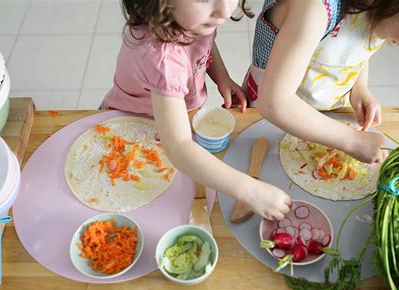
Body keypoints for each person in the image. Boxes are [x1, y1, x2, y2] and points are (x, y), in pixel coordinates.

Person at [102, 0, 292, 221]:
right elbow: (179, 147)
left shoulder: (194, 20)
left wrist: (222, 77)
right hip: (134, 127)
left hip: (177, 117)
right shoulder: (163, 60)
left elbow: (205, 43)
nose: (223, 12)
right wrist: (251, 190)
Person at [241, 0, 399, 164]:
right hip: (267, 119)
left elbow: (355, 45)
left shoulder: (376, 8)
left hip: (324, 119)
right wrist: (351, 140)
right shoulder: (314, 8)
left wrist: (358, 88)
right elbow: (275, 103)